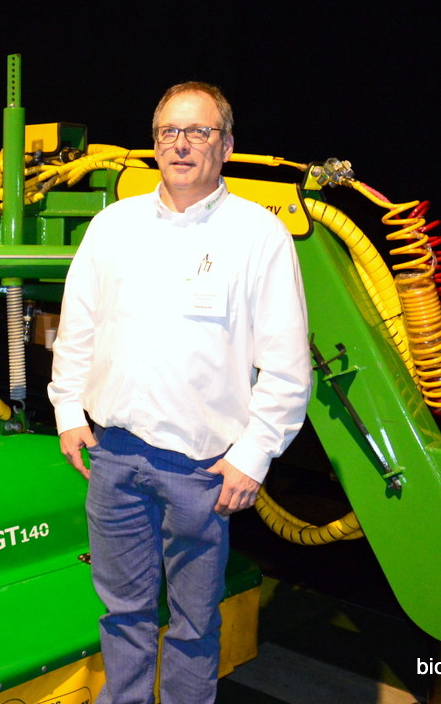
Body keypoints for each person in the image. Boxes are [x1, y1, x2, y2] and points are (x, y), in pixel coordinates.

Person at [48, 81, 311, 703]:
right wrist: (67, 410)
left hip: (202, 468)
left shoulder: (258, 235)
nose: (182, 144)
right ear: (155, 143)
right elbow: (79, 326)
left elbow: (287, 365)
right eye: (170, 131)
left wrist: (254, 456)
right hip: (114, 457)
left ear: (226, 145)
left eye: (199, 132)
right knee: (123, 615)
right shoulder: (113, 226)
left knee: (194, 624)